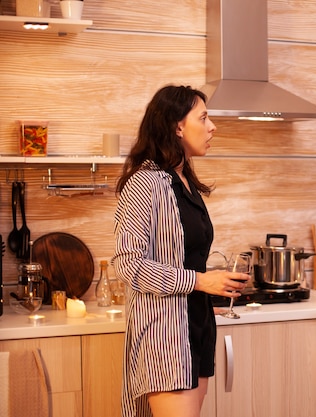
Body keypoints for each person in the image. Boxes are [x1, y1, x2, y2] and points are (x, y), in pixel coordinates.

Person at [112, 85, 250, 417]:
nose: (212, 126)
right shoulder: (144, 183)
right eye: (203, 117)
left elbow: (184, 256)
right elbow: (128, 264)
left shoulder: (184, 181)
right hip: (165, 338)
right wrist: (201, 282)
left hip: (196, 326)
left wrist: (206, 293)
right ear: (177, 126)